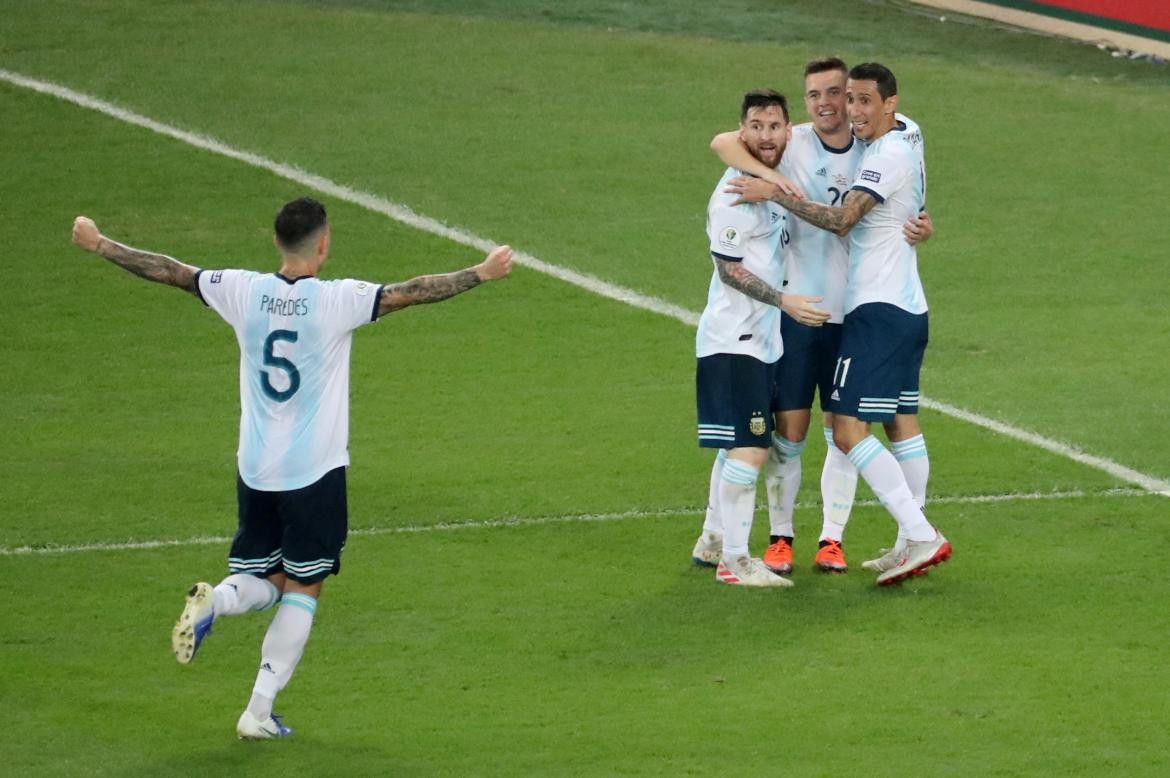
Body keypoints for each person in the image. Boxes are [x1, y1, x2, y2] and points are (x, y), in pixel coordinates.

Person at [70, 198, 513, 737]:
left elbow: (170, 271)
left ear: (276, 242)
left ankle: (222, 600)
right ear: (323, 244)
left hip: (255, 468)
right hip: (314, 473)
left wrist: (100, 244)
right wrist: (481, 273)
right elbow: (412, 292)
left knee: (270, 579)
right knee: (304, 587)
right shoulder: (336, 301)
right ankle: (257, 709)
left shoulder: (240, 290)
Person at [725, 63, 951, 585]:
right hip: (900, 305)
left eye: (861, 99)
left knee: (848, 431)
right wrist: (915, 216)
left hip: (876, 311)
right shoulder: (907, 131)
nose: (851, 109)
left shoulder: (887, 149)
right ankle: (906, 542)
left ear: (889, 103)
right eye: (846, 99)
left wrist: (776, 194)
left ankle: (918, 534)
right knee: (899, 421)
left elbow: (844, 219)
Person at [690, 89, 830, 588]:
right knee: (750, 449)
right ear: (744, 130)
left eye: (775, 127)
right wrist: (785, 302)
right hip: (735, 340)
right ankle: (735, 560)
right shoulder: (733, 193)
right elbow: (729, 270)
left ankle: (711, 540)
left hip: (759, 341)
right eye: (757, 126)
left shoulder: (767, 179)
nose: (766, 136)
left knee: (737, 446)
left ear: (786, 131)